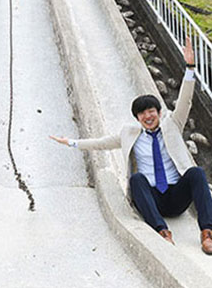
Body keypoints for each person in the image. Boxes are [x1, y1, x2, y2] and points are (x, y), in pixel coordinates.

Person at [50, 37, 212, 254]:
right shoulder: (130, 134)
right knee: (136, 179)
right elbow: (101, 143)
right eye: (142, 113)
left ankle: (207, 233)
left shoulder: (173, 124)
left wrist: (190, 68)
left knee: (197, 173)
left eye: (151, 111)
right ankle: (162, 231)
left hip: (177, 196)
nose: (148, 116)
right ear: (137, 118)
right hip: (151, 198)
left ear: (159, 112)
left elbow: (185, 100)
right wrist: (71, 142)